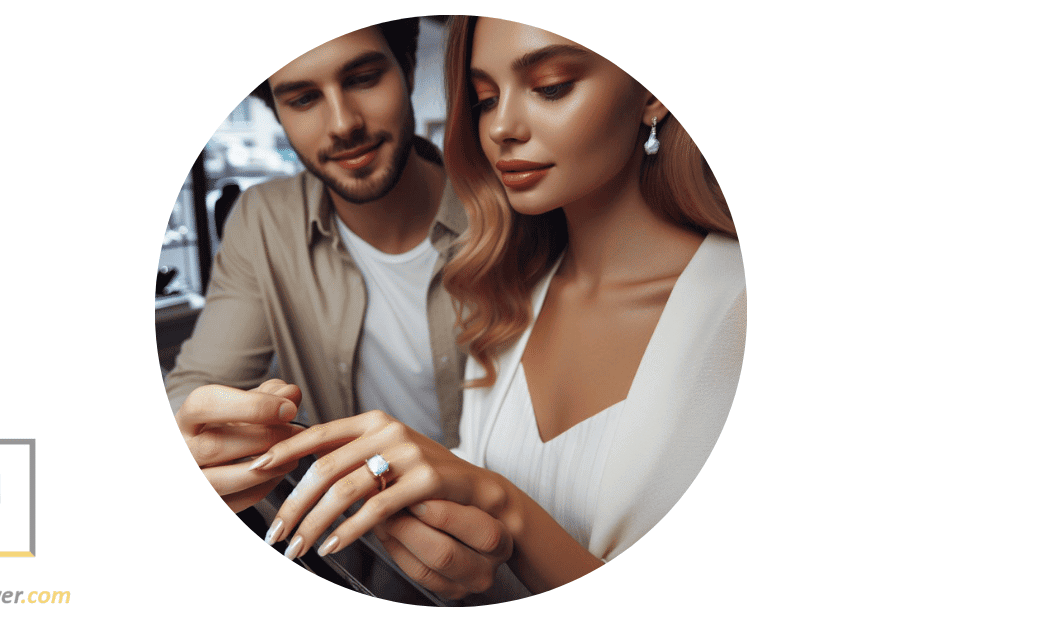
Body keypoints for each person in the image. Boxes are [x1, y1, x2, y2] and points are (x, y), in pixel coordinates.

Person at [248, 16, 745, 595]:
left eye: (551, 85)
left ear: (654, 93)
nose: (502, 127)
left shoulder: (740, 312)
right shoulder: (510, 294)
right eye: (485, 99)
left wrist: (507, 512)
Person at [164, 19, 511, 600]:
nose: (343, 122)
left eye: (365, 77)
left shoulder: (506, 202)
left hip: (516, 547)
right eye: (302, 98)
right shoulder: (262, 221)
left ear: (408, 68)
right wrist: (205, 433)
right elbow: (195, 390)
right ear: (276, 112)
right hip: (366, 573)